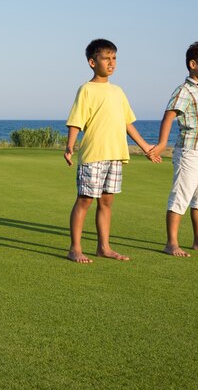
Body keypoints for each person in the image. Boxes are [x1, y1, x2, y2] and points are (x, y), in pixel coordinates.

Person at [64, 38, 160, 264]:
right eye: (106, 58)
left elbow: (127, 123)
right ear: (91, 62)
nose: (111, 63)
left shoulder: (118, 91)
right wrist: (70, 146)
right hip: (93, 155)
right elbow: (76, 120)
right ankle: (75, 248)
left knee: (106, 202)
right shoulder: (86, 89)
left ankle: (103, 247)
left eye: (114, 58)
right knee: (85, 200)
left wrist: (146, 147)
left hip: (116, 155)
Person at [148, 39, 198, 257]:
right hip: (190, 152)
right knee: (181, 196)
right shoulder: (184, 90)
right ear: (193, 64)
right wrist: (162, 144)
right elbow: (169, 116)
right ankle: (171, 243)